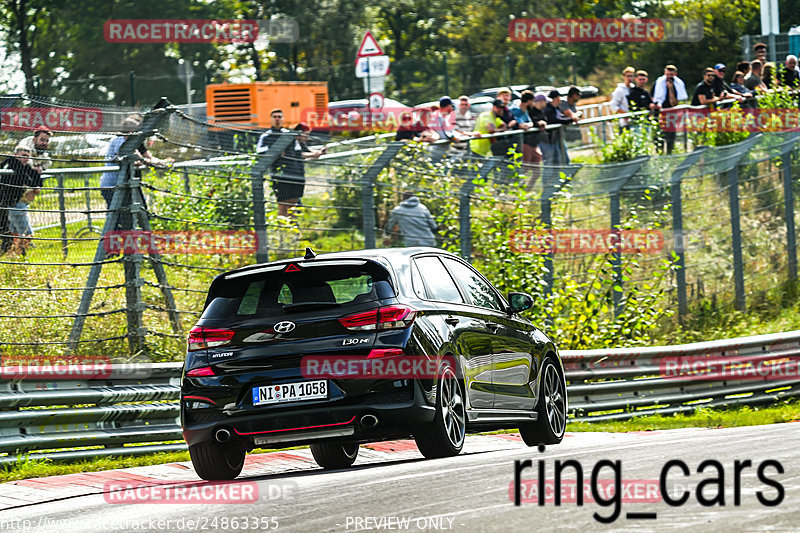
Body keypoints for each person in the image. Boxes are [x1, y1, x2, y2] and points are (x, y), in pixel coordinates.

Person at [261, 120, 325, 217]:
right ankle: (283, 226)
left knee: (293, 204)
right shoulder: (289, 140)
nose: (306, 137)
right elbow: (299, 155)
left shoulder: (299, 143)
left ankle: (293, 226)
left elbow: (306, 151)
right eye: (305, 134)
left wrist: (319, 153)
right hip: (283, 177)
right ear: (299, 133)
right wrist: (314, 154)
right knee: (283, 204)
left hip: (296, 177)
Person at [13, 125, 52, 243]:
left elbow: (48, 162)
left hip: (23, 197)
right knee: (25, 232)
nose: (44, 143)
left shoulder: (41, 152)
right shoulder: (25, 147)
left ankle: (16, 250)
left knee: (14, 228)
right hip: (16, 195)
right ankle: (23, 248)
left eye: (46, 141)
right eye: (42, 140)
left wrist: (39, 167)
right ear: (35, 139)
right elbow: (25, 165)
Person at [0, 146, 42, 255]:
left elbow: (35, 179)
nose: (26, 159)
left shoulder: (24, 165)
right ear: (16, 155)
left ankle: (15, 254)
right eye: (23, 156)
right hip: (11, 203)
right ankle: (22, 255)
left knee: (14, 232)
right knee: (26, 233)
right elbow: (23, 177)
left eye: (27, 157)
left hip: (11, 203)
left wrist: (37, 174)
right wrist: (34, 186)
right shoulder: (12, 163)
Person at [653, 65, 687, 154]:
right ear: (664, 73)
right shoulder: (659, 82)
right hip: (659, 112)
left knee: (670, 136)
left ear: (675, 74)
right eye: (667, 74)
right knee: (659, 135)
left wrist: (670, 88)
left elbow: (674, 103)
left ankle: (669, 154)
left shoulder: (677, 84)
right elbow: (653, 96)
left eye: (671, 75)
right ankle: (659, 154)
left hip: (671, 113)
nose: (669, 77)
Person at [542, 90, 575, 165]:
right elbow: (555, 120)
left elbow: (561, 117)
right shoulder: (548, 109)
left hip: (557, 137)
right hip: (549, 139)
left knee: (563, 155)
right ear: (556, 98)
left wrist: (570, 119)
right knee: (553, 159)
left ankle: (565, 171)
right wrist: (570, 120)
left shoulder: (556, 108)